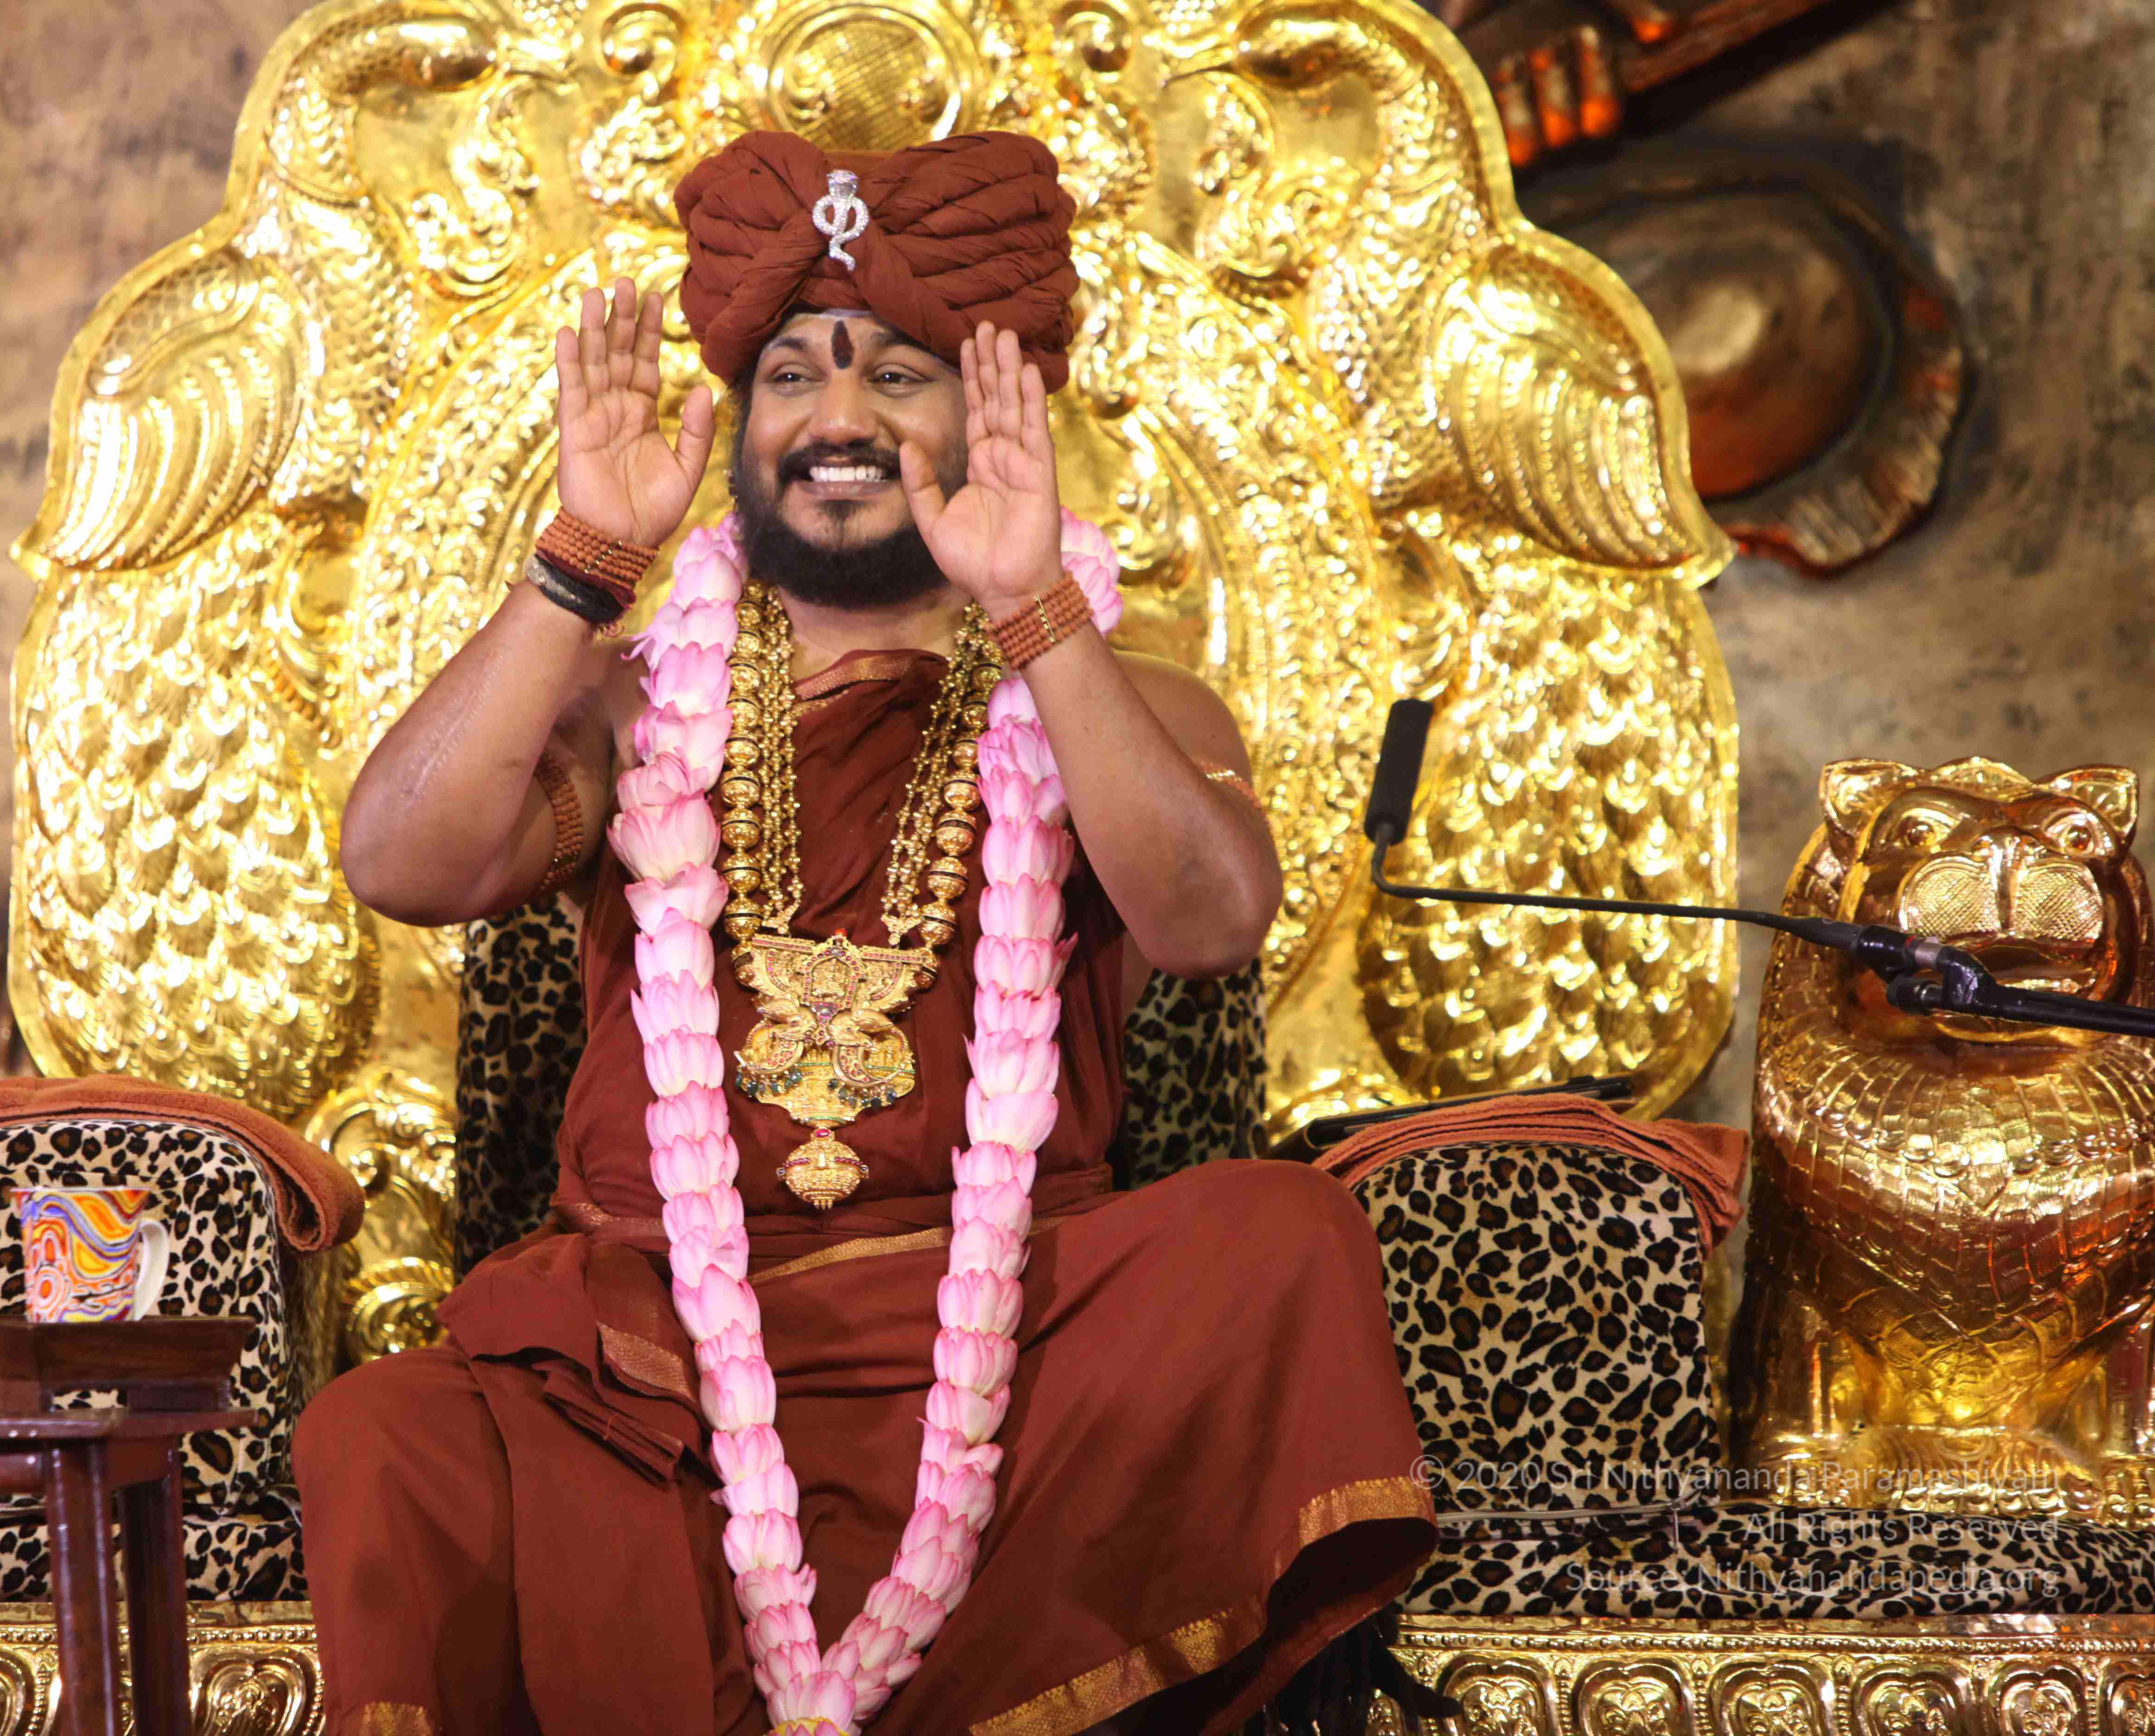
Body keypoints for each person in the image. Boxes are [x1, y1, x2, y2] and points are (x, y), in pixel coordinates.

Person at [297, 128, 1436, 1736]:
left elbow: (1210, 923)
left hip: (1012, 1336)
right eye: (790, 376)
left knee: (1281, 1239)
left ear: (989, 421)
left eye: (897, 375)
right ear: (738, 424)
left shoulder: (1121, 695)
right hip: (657, 1355)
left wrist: (1035, 610)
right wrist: (582, 565)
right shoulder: (628, 709)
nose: (838, 420)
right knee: (381, 1439)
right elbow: (397, 861)